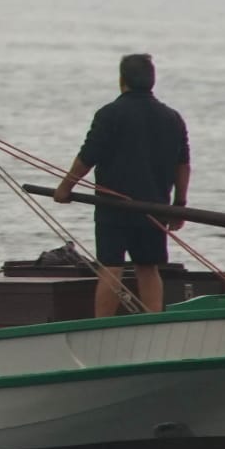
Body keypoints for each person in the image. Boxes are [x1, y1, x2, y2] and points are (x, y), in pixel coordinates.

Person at [52, 53, 190, 317]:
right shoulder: (172, 118)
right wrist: (179, 205)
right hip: (154, 207)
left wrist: (65, 188)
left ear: (122, 80)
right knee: (148, 268)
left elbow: (88, 156)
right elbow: (183, 165)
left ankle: (101, 327)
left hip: (112, 208)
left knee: (111, 267)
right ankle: (153, 323)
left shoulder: (110, 114)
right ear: (152, 80)